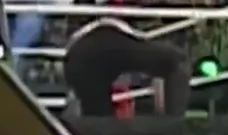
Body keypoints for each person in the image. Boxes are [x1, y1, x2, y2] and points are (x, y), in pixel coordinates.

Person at [61, 18, 190, 117]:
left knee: (99, 122)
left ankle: (174, 126)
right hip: (100, 36)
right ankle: (175, 127)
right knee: (177, 61)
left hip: (79, 52)